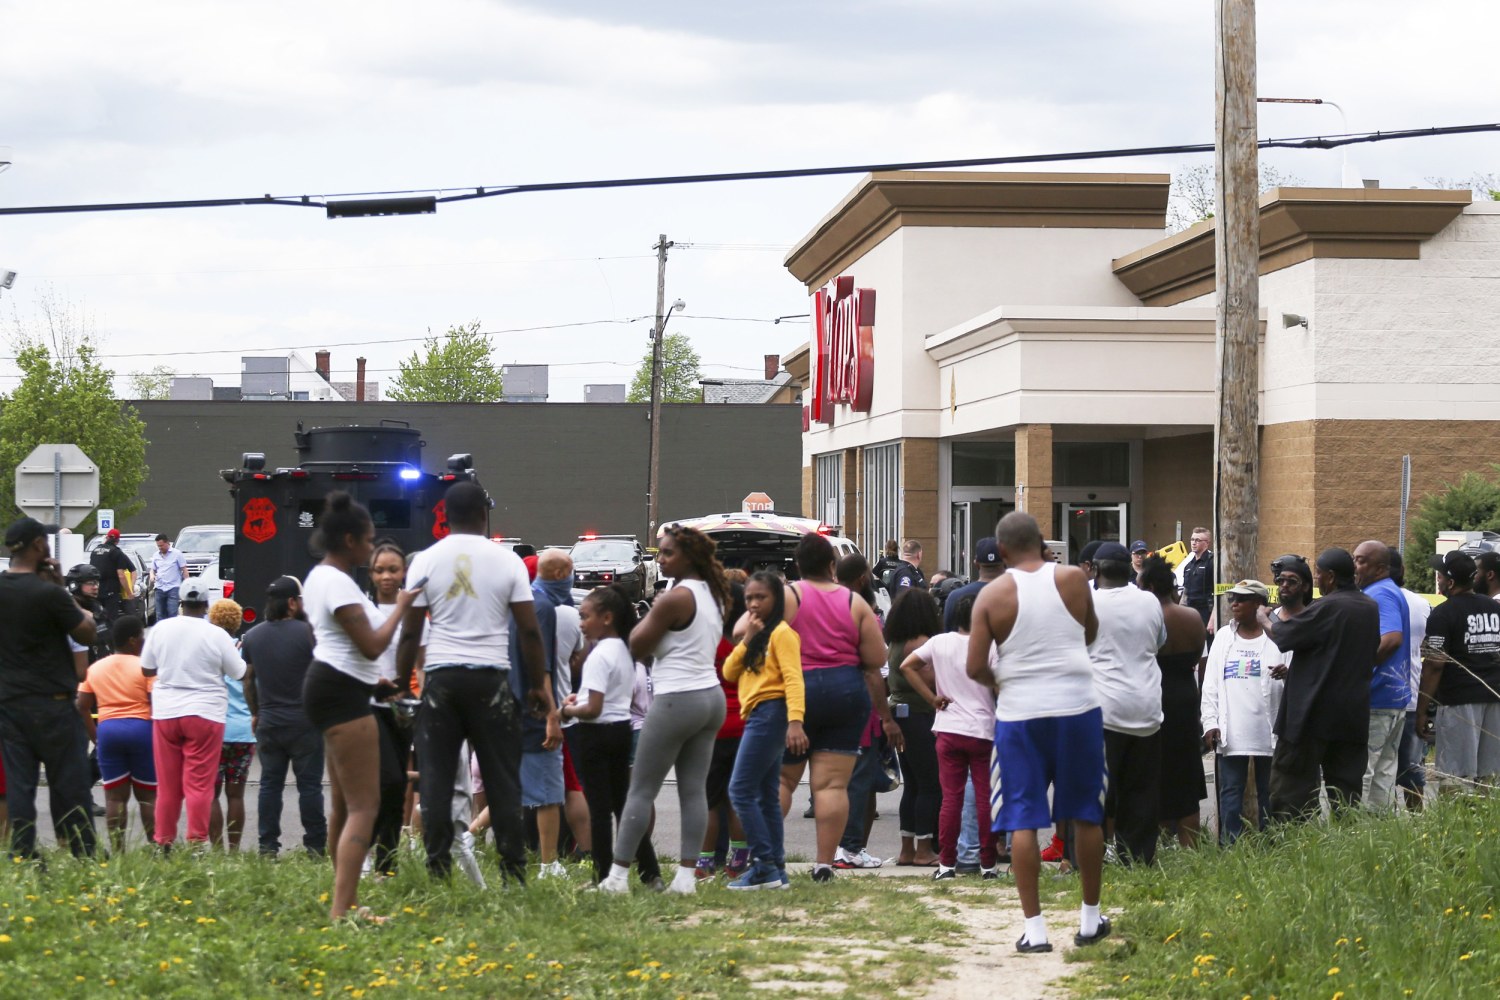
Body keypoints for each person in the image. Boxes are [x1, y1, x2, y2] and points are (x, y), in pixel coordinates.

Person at [397, 482, 557, 885]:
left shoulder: (426, 561)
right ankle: (513, 874)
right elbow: (529, 632)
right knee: (502, 779)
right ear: (484, 514)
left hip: (442, 679)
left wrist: (402, 684)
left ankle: (438, 872)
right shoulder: (507, 563)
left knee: (435, 779)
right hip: (492, 680)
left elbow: (411, 633)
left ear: (444, 517)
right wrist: (538, 686)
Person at [969, 512, 1108, 953]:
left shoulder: (991, 595)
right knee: (1087, 812)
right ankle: (1089, 920)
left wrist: (1004, 681)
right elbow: (1090, 632)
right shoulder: (1072, 579)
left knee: (1023, 817)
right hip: (1078, 706)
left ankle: (1035, 929)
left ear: (1003, 551)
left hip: (1020, 714)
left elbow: (974, 667)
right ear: (1043, 543)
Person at [302, 493, 416, 921]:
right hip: (341, 693)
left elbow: (343, 648)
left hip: (337, 684)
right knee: (366, 806)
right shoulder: (339, 583)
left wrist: (377, 683)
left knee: (345, 806)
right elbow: (371, 646)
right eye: (367, 541)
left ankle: (345, 901)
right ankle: (342, 910)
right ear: (349, 539)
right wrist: (401, 608)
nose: (371, 550)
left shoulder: (319, 577)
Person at [600, 524, 728, 895]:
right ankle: (686, 878)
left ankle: (618, 878)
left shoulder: (674, 598)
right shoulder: (714, 593)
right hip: (710, 697)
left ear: (690, 556)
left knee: (639, 790)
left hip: (677, 698)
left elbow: (636, 646)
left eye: (668, 552)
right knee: (693, 791)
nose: (662, 558)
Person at [778, 533, 901, 883]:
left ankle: (769, 856)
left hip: (798, 689)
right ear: (832, 565)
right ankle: (823, 863)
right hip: (845, 691)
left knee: (785, 780)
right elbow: (876, 660)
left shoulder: (789, 597)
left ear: (798, 565)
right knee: (832, 785)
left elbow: (767, 641)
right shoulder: (855, 604)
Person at [1262, 548, 1380, 820]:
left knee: (1290, 792)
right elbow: (1337, 653)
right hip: (1351, 715)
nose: (1316, 580)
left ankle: (1292, 849)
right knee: (1346, 794)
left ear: (1330, 577)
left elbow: (1284, 636)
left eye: (1318, 575)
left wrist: (1263, 618)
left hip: (1310, 716)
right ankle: (1346, 848)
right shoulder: (1369, 607)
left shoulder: (1328, 606)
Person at [562, 586, 662, 886]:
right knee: (624, 806)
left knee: (600, 811)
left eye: (585, 616)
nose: (581, 623)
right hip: (621, 729)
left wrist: (566, 711)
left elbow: (592, 708)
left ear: (606, 618)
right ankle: (650, 872)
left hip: (596, 734)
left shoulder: (598, 656)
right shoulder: (625, 650)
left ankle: (603, 875)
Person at [900, 594, 1001, 880]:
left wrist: (932, 698)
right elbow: (999, 687)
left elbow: (906, 666)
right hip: (982, 729)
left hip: (948, 728)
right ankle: (988, 864)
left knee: (950, 799)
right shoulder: (990, 646)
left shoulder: (939, 642)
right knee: (985, 798)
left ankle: (946, 864)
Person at [141, 578, 246, 851]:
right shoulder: (217, 634)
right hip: (205, 713)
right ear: (206, 606)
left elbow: (147, 669)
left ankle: (163, 841)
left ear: (180, 603)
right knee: (199, 785)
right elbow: (239, 672)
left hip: (166, 712)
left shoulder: (161, 629)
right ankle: (196, 843)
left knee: (168, 785)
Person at [722, 572, 806, 890]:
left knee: (740, 791)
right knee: (767, 796)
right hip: (759, 714)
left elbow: (794, 679)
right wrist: (746, 640)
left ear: (777, 600)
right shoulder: (757, 634)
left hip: (772, 713)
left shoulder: (783, 634)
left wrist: (796, 721)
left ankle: (763, 865)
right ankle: (777, 870)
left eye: (762, 597)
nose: (754, 603)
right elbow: (730, 672)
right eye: (749, 598)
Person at [1088, 541, 1167, 865]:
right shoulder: (1149, 602)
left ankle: (1086, 858)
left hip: (1103, 712)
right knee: (1142, 794)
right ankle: (1137, 857)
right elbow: (1158, 642)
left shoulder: (1087, 601)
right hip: (1147, 710)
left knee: (1093, 792)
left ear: (1094, 569)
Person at [241, 575, 326, 857]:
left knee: (269, 785)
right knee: (310, 786)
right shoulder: (310, 634)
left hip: (269, 721)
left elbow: (248, 680)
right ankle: (315, 845)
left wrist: (256, 713)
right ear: (292, 603)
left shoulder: (252, 637)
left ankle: (268, 846)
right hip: (306, 721)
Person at [511, 547, 582, 880]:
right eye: (570, 572)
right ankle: (549, 864)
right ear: (559, 574)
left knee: (523, 789)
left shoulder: (526, 602)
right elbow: (542, 667)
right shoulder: (544, 609)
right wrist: (553, 714)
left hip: (517, 708)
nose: (572, 579)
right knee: (549, 794)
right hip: (537, 711)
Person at [1201, 581, 1286, 844]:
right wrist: (1210, 722)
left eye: (1242, 599)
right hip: (1232, 732)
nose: (1234, 603)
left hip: (1269, 731)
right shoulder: (1225, 637)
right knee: (1230, 792)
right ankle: (1230, 846)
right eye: (1232, 599)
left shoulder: (1278, 637)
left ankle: (1271, 845)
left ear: (1260, 605)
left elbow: (1296, 678)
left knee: (1269, 792)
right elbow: (1211, 684)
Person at [1418, 551, 1500, 794]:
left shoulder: (1443, 614)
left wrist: (1422, 710)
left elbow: (1434, 664)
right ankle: (1486, 824)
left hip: (1459, 702)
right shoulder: (1494, 607)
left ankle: (1457, 824)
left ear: (1450, 582)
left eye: (1441, 576)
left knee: (1454, 777)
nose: (1439, 580)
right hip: (1495, 697)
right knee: (1490, 776)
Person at [1139, 555, 1207, 846]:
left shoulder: (1148, 618)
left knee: (1154, 769)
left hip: (1156, 695)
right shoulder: (1192, 617)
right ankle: (1190, 845)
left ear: (1151, 586)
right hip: (1185, 694)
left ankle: (1156, 838)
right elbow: (1197, 658)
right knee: (1186, 772)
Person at [76, 615, 156, 851]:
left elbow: (81, 705)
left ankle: (119, 852)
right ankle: (158, 849)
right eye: (141, 636)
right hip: (142, 729)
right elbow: (156, 702)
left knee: (114, 798)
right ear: (132, 640)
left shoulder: (96, 667)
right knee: (149, 797)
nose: (143, 641)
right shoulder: (145, 668)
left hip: (109, 731)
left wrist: (96, 737)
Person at [833, 552, 887, 870]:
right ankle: (851, 848)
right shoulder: (866, 614)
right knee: (859, 782)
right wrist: (887, 716)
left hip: (829, 702)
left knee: (834, 782)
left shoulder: (825, 607)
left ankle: (838, 846)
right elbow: (876, 669)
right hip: (862, 709)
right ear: (863, 578)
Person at [883, 589, 942, 868]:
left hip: (900, 713)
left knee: (913, 785)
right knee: (930, 784)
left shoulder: (895, 642)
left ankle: (907, 849)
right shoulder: (920, 643)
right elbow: (933, 679)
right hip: (919, 715)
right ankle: (924, 849)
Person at [1353, 540, 1412, 812]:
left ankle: (1354, 836)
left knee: (1361, 772)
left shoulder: (1380, 594)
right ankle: (1380, 834)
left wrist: (1360, 670)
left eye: (1361, 560)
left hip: (1377, 698)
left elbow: (1391, 639)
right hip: (1393, 699)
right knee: (1383, 774)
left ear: (1380, 567)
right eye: (1354, 559)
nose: (1355, 566)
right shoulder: (1388, 590)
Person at [367, 542, 414, 875]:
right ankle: (359, 853)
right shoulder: (363, 612)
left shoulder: (414, 613)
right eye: (380, 569)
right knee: (385, 781)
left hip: (404, 707)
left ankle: (387, 865)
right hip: (369, 707)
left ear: (403, 573)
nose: (387, 576)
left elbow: (422, 661)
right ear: (371, 574)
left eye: (393, 569)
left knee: (398, 788)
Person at [699, 583, 749, 881]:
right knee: (736, 797)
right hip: (745, 725)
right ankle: (740, 856)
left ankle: (704, 862)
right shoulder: (748, 642)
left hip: (713, 726)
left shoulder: (709, 640)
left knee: (709, 800)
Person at [205, 598, 255, 850]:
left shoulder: (209, 650)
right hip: (244, 732)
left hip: (214, 730)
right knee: (236, 795)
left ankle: (216, 849)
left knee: (211, 795)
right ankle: (234, 850)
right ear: (237, 622)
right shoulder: (246, 651)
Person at [1389, 550, 1431, 811]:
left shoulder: (1368, 599)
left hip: (1375, 698)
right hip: (1412, 695)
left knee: (1375, 766)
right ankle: (1416, 820)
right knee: (1411, 766)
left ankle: (1378, 821)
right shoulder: (1421, 603)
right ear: (1402, 570)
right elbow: (1430, 650)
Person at [90, 528, 135, 623]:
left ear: (107, 537)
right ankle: (110, 637)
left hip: (95, 590)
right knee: (111, 620)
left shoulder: (95, 550)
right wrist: (129, 592)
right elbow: (121, 576)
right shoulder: (116, 552)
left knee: (98, 619)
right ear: (118, 540)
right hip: (111, 591)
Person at [1177, 527, 1215, 626]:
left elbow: (1218, 592)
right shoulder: (1188, 566)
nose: (1194, 543)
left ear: (1207, 543)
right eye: (1192, 539)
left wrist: (1213, 617)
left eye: (1198, 540)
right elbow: (1185, 593)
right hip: (1190, 610)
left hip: (1206, 610)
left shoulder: (1212, 562)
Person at [150, 533, 188, 621]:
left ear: (168, 543)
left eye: (162, 545)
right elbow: (153, 569)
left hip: (173, 587)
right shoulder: (156, 555)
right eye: (158, 546)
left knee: (172, 613)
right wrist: (152, 576)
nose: (160, 548)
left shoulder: (177, 554)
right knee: (160, 614)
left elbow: (184, 569)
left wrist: (186, 584)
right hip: (160, 587)